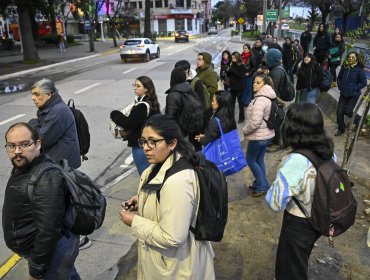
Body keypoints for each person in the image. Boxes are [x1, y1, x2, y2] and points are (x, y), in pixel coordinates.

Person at [119, 114, 215, 279]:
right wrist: (142, 199)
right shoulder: (163, 163)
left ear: (172, 143)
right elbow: (162, 192)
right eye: (143, 141)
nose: (146, 148)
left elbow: (172, 237)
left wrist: (134, 221)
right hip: (168, 261)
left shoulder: (178, 181)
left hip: (176, 267)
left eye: (153, 141)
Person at [265, 102, 334, 280]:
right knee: (300, 260)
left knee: (290, 270)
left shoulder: (295, 161)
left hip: (299, 223)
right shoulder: (328, 151)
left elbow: (274, 203)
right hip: (320, 217)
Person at [3, 122, 80, 280]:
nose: (17, 151)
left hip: (51, 255)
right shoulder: (25, 165)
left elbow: (49, 229)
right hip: (42, 252)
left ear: (38, 144)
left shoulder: (47, 178)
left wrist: (36, 270)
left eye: (24, 144)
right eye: (11, 145)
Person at [111, 76, 160, 175]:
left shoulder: (142, 106)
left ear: (146, 89)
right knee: (150, 173)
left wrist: (114, 114)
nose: (135, 88)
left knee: (145, 174)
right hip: (150, 144)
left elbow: (128, 123)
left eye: (138, 86)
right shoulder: (151, 102)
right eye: (134, 85)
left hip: (141, 146)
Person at [29, 78, 81, 169]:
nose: (33, 98)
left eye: (37, 94)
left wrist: (33, 122)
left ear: (49, 94)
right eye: (33, 94)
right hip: (58, 162)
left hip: (63, 166)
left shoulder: (58, 112)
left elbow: (42, 140)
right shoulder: (50, 108)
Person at [243, 74, 275, 197]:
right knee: (259, 159)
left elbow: (255, 123)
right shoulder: (267, 97)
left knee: (250, 160)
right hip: (266, 135)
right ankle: (259, 183)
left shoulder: (260, 100)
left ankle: (262, 185)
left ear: (265, 85)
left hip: (258, 137)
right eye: (254, 82)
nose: (254, 84)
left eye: (258, 82)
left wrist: (245, 130)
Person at [336, 52, 367, 136]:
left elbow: (363, 82)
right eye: (349, 57)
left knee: (348, 111)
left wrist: (354, 88)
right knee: (339, 112)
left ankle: (359, 120)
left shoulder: (359, 69)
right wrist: (340, 86)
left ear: (356, 58)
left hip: (353, 94)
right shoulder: (345, 67)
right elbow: (339, 78)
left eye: (353, 57)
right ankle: (341, 128)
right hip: (343, 93)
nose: (351, 58)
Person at [227, 51, 246, 123]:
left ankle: (242, 117)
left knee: (240, 103)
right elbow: (230, 75)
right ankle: (231, 118)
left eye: (234, 58)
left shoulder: (242, 65)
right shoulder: (231, 64)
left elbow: (240, 75)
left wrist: (231, 70)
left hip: (239, 87)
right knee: (231, 103)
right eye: (232, 58)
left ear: (238, 58)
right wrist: (227, 71)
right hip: (232, 86)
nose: (233, 59)